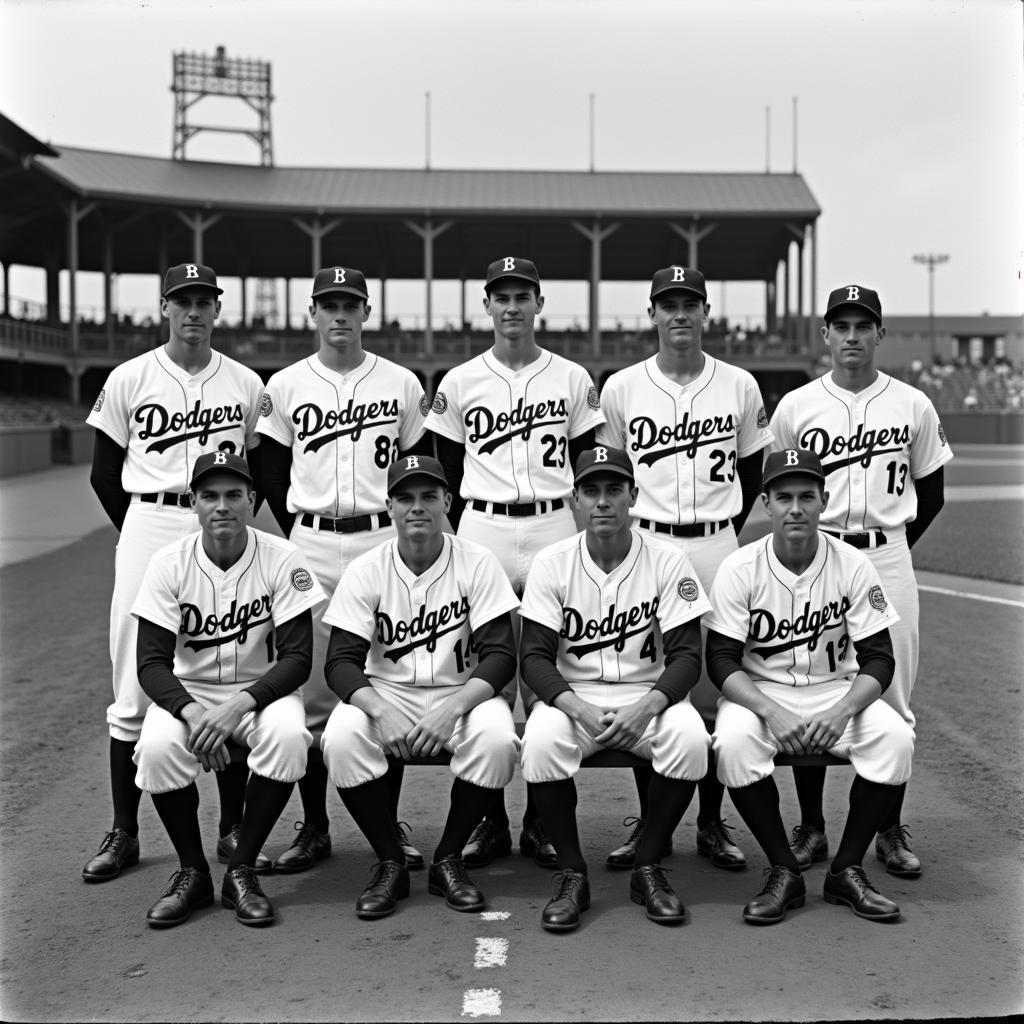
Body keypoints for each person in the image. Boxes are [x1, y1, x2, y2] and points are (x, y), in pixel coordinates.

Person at [83, 263, 266, 883]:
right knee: (132, 686)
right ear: (165, 307)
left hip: (222, 525)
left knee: (233, 663)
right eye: (183, 300)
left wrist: (233, 526)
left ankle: (233, 824)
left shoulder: (244, 383)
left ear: (218, 308)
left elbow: (261, 473)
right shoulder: (129, 377)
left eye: (204, 300)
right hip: (152, 521)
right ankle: (124, 830)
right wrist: (146, 541)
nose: (194, 311)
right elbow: (104, 474)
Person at [426, 256, 604, 869]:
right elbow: (442, 473)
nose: (511, 306)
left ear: (538, 303)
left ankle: (542, 821)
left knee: (546, 671)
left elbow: (589, 468)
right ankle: (490, 818)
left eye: (522, 295)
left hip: (554, 520)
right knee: (491, 670)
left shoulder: (572, 377)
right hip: (484, 523)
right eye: (501, 296)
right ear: (487, 305)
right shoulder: (460, 380)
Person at [769, 284, 951, 877]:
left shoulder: (913, 404)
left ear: (879, 334)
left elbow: (933, 494)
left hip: (886, 553)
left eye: (862, 325)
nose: (851, 336)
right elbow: (780, 486)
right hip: (814, 553)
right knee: (811, 684)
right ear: (825, 334)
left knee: (893, 696)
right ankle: (813, 826)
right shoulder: (796, 406)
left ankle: (888, 829)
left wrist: (885, 553)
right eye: (840, 325)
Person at [597, 265, 773, 871]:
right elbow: (614, 472)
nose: (679, 314)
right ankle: (654, 823)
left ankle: (710, 821)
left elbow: (753, 475)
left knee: (715, 682)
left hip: (718, 542)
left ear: (706, 311)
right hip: (648, 543)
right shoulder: (621, 388)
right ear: (651, 314)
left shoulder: (740, 385)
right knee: (656, 678)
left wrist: (724, 527)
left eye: (689, 303)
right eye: (667, 304)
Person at [257, 266, 432, 874]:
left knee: (388, 676)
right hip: (309, 541)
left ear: (366, 311)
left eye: (349, 305)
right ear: (313, 313)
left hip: (382, 538)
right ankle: (315, 825)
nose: (340, 315)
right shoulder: (283, 385)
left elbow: (417, 472)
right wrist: (301, 533)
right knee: (307, 690)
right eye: (329, 305)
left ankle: (388, 824)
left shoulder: (402, 383)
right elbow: (272, 475)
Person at [705, 449, 915, 925]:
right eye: (784, 497)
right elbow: (720, 660)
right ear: (766, 503)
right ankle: (783, 869)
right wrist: (768, 711)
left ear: (824, 501)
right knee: (733, 743)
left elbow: (879, 658)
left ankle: (847, 869)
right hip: (761, 693)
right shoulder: (741, 567)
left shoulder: (854, 564)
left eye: (806, 496)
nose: (795, 507)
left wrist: (842, 711)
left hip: (833, 691)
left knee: (896, 737)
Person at [519, 447, 711, 931]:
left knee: (690, 739)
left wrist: (649, 707)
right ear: (575, 501)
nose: (602, 501)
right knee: (540, 742)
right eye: (591, 491)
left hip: (648, 695)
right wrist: (575, 708)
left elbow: (689, 656)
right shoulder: (552, 562)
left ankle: (647, 865)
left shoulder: (668, 560)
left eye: (613, 490)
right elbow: (534, 658)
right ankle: (572, 871)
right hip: (573, 697)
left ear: (633, 497)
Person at [320, 455, 520, 919]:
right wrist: (378, 709)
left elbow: (500, 656)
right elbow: (340, 663)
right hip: (387, 693)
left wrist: (454, 708)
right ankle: (390, 858)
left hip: (462, 694)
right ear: (388, 506)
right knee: (342, 737)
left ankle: (447, 857)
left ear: (447, 501)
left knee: (496, 738)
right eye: (405, 498)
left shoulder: (477, 561)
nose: (417, 508)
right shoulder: (367, 568)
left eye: (429, 496)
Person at [131, 451, 326, 927]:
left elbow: (298, 659)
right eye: (210, 496)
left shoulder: (283, 557)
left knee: (288, 738)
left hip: (260, 692)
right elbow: (151, 664)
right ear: (192, 503)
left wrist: (239, 706)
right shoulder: (167, 562)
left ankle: (240, 871)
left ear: (252, 500)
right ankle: (192, 873)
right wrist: (195, 714)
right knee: (156, 748)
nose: (223, 506)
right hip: (190, 693)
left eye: (234, 495)